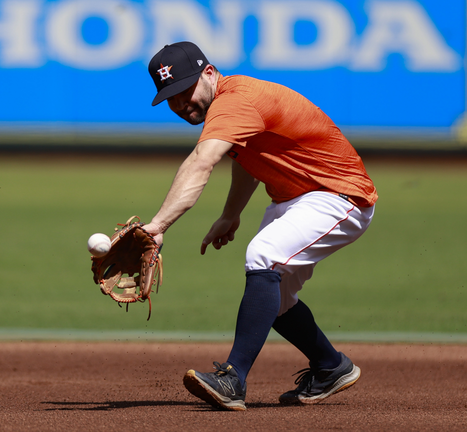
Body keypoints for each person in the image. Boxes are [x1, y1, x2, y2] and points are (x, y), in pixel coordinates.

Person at [140, 42, 378, 411]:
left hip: (339, 195)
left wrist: (157, 226)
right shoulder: (229, 104)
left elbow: (202, 161)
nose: (182, 102)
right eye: (171, 96)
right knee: (275, 299)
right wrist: (231, 213)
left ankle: (232, 378)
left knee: (262, 255)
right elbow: (246, 154)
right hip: (296, 198)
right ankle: (331, 366)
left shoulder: (236, 100)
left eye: (186, 89)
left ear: (209, 73)